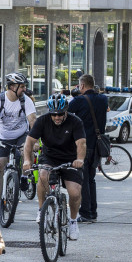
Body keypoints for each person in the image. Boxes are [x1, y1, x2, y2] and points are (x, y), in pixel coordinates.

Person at [23, 94, 86, 239]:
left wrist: (80, 159)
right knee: (43, 175)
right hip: (49, 157)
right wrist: (27, 160)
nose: (57, 117)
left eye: (60, 114)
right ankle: (41, 209)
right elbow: (29, 142)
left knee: (75, 193)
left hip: (71, 159)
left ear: (66, 111)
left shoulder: (75, 121)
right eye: (54, 115)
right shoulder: (42, 121)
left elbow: (81, 143)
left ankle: (73, 221)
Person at [0, 72, 36, 216]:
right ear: (12, 87)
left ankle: (24, 177)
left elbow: (33, 120)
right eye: (22, 86)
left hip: (21, 135)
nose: (24, 89)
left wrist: (36, 140)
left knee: (26, 153)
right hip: (2, 137)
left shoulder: (25, 100)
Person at [66, 73, 108, 223]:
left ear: (82, 85)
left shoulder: (78, 101)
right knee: (91, 179)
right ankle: (93, 212)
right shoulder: (103, 99)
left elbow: (65, 114)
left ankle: (86, 213)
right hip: (98, 145)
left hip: (83, 145)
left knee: (82, 180)